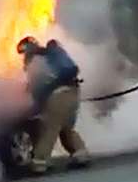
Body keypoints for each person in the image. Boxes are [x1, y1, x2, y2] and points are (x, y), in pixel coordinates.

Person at [17, 36, 90, 174]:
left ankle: (40, 163)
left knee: (49, 128)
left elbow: (38, 87)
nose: (23, 56)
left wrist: (36, 101)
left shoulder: (38, 60)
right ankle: (81, 155)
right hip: (71, 92)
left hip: (59, 95)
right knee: (65, 128)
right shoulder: (45, 57)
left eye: (24, 52)